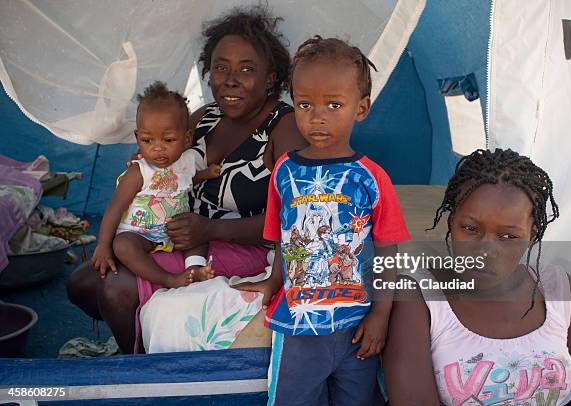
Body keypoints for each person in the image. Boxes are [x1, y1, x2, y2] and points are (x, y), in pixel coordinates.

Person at [67, 6, 306, 354]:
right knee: (82, 282)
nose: (231, 79)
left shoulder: (283, 128)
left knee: (115, 288)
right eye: (221, 67)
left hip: (248, 248)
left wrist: (209, 230)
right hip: (182, 237)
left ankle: (138, 367)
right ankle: (144, 342)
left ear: (271, 78)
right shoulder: (204, 119)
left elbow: (296, 218)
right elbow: (166, 164)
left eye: (247, 69)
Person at [235, 37, 410, 406]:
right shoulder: (284, 171)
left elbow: (388, 251)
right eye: (304, 104)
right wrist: (272, 282)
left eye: (334, 104)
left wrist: (381, 313)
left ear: (361, 109)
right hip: (299, 326)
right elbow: (285, 239)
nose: (317, 116)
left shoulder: (371, 178)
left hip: (357, 327)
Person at [383, 148, 571, 405]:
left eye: (508, 236)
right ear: (451, 221)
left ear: (532, 234)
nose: (485, 250)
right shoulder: (418, 295)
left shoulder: (555, 286)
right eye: (470, 229)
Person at [92, 81, 218, 290]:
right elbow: (115, 208)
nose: (157, 149)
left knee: (198, 234)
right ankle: (168, 279)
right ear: (137, 138)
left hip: (174, 232)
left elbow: (183, 182)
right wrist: (103, 244)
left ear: (186, 139)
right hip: (140, 233)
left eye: (168, 140)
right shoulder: (138, 172)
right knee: (122, 245)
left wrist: (206, 174)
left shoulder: (186, 162)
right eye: (148, 140)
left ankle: (195, 269)